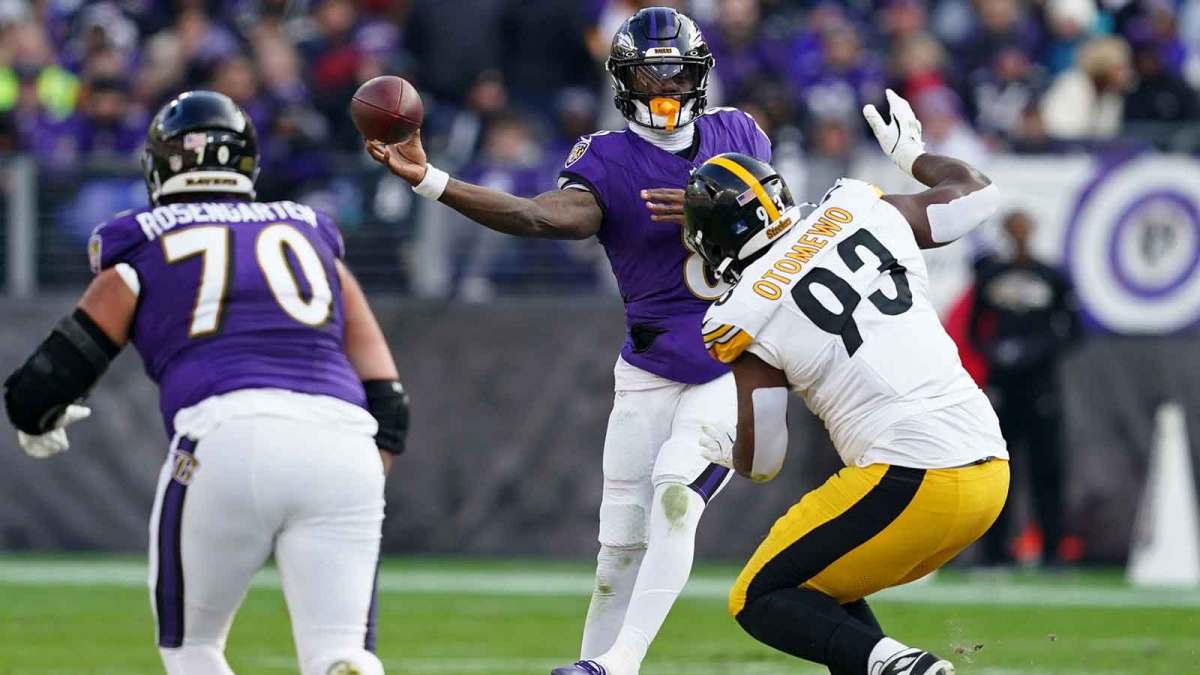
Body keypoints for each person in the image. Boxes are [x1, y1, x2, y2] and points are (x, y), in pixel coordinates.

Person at [366, 8, 771, 675]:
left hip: (733, 361)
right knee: (617, 549)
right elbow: (541, 216)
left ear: (700, 76)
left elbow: (781, 222)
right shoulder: (606, 157)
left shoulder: (739, 132)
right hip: (646, 368)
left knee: (676, 493)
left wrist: (708, 202)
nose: (664, 85)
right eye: (649, 70)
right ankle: (594, 665)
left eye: (676, 71)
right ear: (622, 80)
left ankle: (621, 662)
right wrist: (429, 179)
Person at [2, 91, 408, 675]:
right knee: (340, 652)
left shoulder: (139, 239)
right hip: (344, 443)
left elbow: (45, 381)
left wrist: (34, 415)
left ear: (159, 165)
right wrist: (354, 470)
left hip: (226, 433)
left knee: (191, 647)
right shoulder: (310, 234)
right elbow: (389, 399)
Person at [685, 90, 1009, 675]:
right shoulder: (858, 208)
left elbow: (764, 460)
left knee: (759, 596)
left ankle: (907, 669)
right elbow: (979, 197)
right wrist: (913, 157)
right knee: (823, 597)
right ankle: (896, 666)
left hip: (910, 477)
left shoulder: (743, 313)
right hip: (989, 468)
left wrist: (721, 449)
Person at [970, 210, 1079, 567]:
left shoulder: (1050, 276)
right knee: (1000, 471)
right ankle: (994, 553)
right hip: (1003, 389)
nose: (1018, 235)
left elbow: (1074, 331)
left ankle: (1052, 551)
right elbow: (973, 328)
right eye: (1013, 229)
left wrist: (1037, 352)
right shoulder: (991, 275)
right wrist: (996, 354)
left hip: (1041, 388)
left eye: (1023, 228)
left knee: (1047, 469)